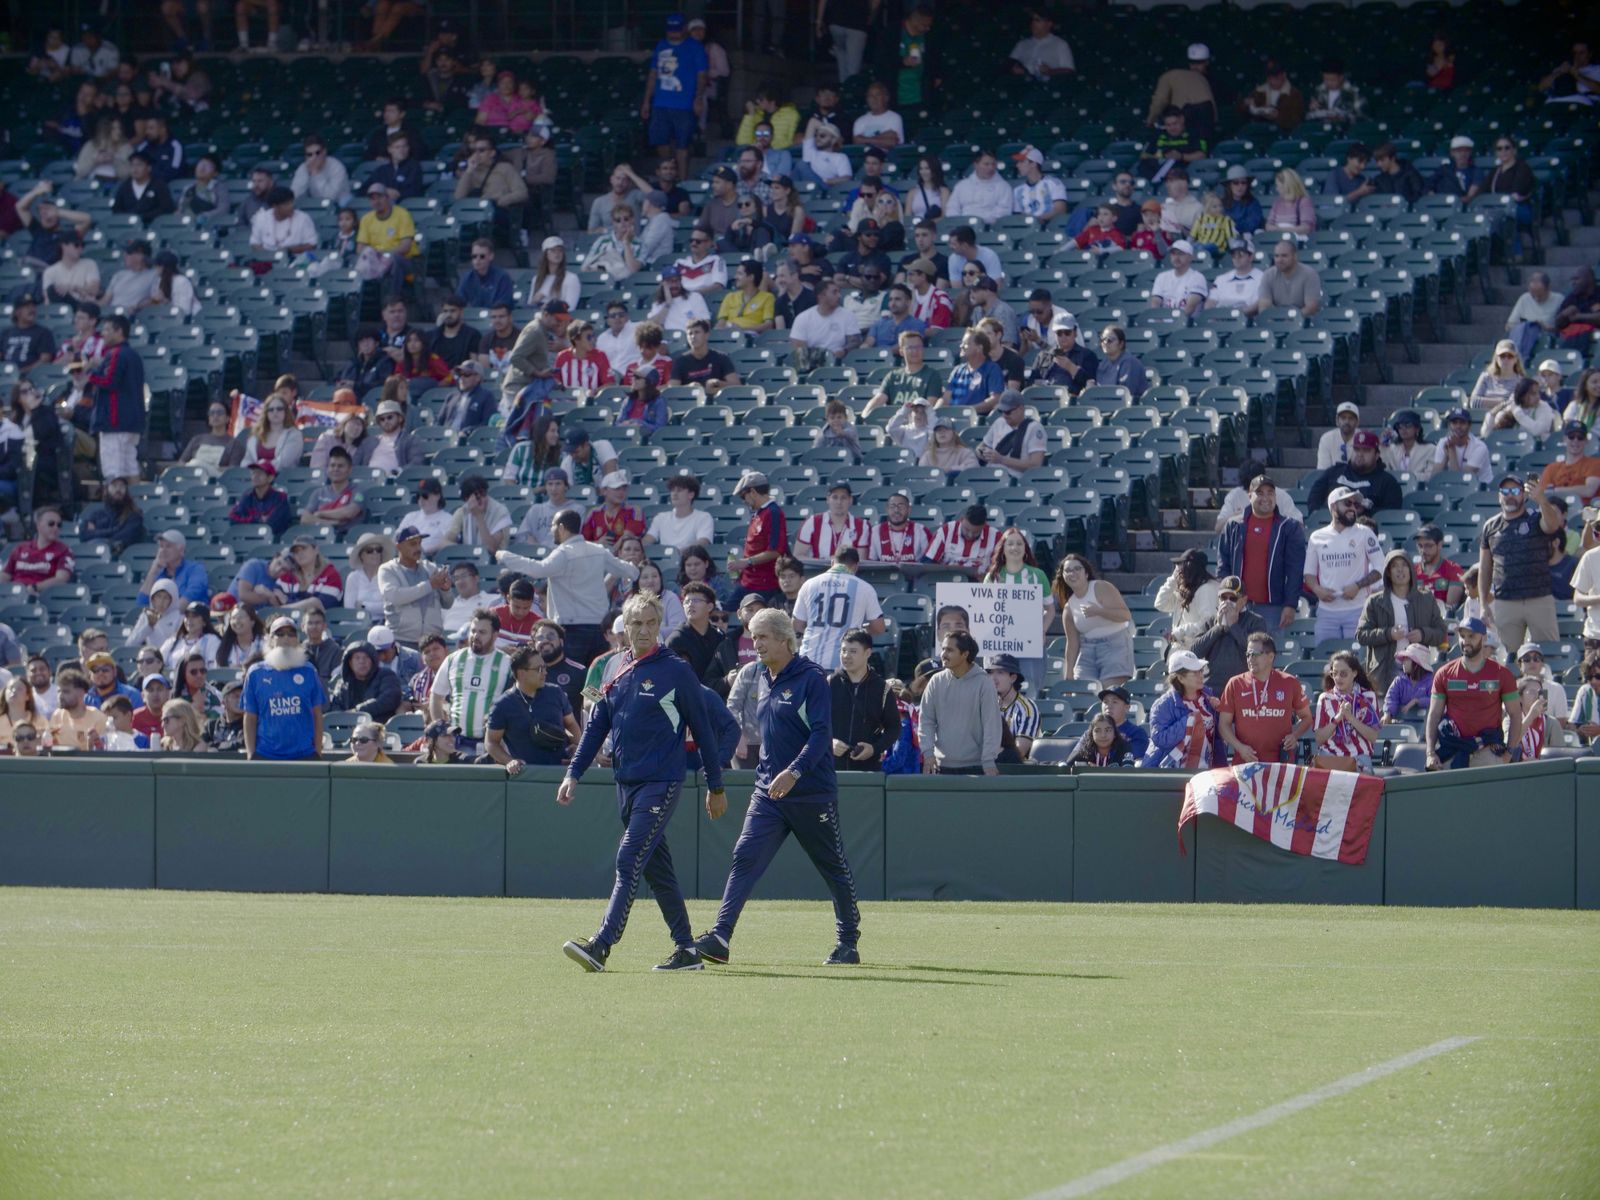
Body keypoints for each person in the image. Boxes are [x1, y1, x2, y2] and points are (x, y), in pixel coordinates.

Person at [558, 590, 728, 973]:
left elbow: (703, 730)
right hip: (626, 782)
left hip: (662, 781)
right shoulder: (614, 667)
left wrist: (716, 787)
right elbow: (596, 724)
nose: (645, 630)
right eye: (637, 623)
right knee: (657, 869)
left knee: (629, 856)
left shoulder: (677, 670)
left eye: (652, 623)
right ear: (624, 627)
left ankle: (601, 945)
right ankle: (686, 950)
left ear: (661, 626)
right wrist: (574, 772)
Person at [496, 511, 640, 667]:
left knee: (573, 678)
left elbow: (538, 569)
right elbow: (632, 572)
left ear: (561, 527)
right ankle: (592, 694)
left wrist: (505, 556)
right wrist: (633, 566)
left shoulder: (563, 553)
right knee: (595, 681)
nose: (551, 531)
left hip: (572, 631)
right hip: (599, 630)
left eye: (553, 526)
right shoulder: (598, 550)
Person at [1480, 473, 1565, 650]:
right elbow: (1485, 568)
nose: (1510, 495)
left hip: (1539, 599)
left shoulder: (1535, 518)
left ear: (1524, 495)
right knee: (1508, 658)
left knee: (1549, 653)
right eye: (1505, 490)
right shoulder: (1490, 526)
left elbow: (1553, 525)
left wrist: (1542, 500)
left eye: (1515, 490)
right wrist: (1483, 604)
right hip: (1506, 601)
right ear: (1499, 495)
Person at [1425, 617, 1521, 770]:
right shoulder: (1444, 674)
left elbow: (1515, 714)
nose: (1465, 641)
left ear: (1483, 638)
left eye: (1471, 636)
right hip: (1453, 750)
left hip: (1487, 753)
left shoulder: (1502, 674)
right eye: (1462, 636)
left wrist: (1509, 753)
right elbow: (1434, 714)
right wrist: (1430, 753)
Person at [1216, 473, 1307, 631]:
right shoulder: (1234, 525)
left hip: (1273, 608)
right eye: (1260, 493)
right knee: (1236, 653)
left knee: (1266, 653)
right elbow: (1223, 564)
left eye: (1270, 493)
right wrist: (1228, 599)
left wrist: (1290, 604)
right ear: (1249, 496)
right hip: (1238, 606)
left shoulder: (1289, 527)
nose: (1266, 497)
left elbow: (1295, 570)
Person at [915, 628, 1007, 775]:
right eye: (943, 649)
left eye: (949, 650)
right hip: (940, 766)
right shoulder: (936, 681)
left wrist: (988, 760)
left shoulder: (984, 683)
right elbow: (926, 720)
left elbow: (991, 725)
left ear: (965, 654)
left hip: (976, 767)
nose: (943, 654)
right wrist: (928, 754)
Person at [1304, 487, 1384, 643]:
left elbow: (1381, 568)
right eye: (1348, 503)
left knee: (1357, 662)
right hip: (1326, 612)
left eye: (1356, 504)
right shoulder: (1316, 537)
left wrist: (1357, 586)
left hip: (1358, 610)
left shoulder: (1365, 532)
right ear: (1333, 506)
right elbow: (1309, 574)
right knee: (1325, 661)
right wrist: (1317, 589)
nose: (1352, 508)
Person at [1217, 632, 1312, 765]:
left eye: (1255, 654)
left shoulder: (1290, 682)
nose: (1250, 659)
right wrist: (1240, 748)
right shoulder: (1235, 683)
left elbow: (1307, 717)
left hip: (1280, 762)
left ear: (1270, 657)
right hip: (1245, 761)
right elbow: (1223, 725)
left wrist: (1294, 735)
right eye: (1248, 654)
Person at [428, 610, 513, 756]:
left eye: (482, 632)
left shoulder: (507, 663)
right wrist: (441, 732)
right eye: (473, 631)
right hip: (456, 743)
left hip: (491, 745)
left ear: (495, 635)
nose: (475, 636)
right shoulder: (453, 659)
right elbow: (436, 696)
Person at [242, 616, 326, 761]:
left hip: (304, 754)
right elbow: (250, 716)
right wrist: (251, 753)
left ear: (297, 639)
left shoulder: (309, 671)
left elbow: (317, 714)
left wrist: (317, 752)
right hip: (266, 754)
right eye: (280, 634)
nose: (286, 638)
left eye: (291, 634)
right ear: (271, 639)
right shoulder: (255, 673)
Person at [486, 644, 580, 774]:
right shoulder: (503, 705)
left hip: (560, 773)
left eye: (545, 667)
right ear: (521, 673)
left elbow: (571, 723)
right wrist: (509, 761)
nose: (545, 673)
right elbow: (491, 742)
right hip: (526, 777)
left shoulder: (558, 690)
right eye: (539, 669)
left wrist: (577, 748)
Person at [792, 547, 886, 672]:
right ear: (856, 566)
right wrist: (858, 630)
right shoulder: (864, 588)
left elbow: (797, 624)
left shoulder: (809, 584)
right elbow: (879, 627)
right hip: (843, 663)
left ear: (832, 562)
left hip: (809, 659)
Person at [640, 12, 708, 180]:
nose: (673, 33)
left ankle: (683, 182)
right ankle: (667, 177)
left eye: (677, 30)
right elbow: (653, 74)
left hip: (684, 104)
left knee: (683, 144)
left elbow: (702, 76)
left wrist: (698, 98)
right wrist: (647, 101)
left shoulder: (695, 47)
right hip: (660, 103)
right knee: (660, 141)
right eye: (671, 30)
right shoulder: (661, 45)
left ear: (684, 29)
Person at [825, 628, 901, 772]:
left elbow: (894, 728)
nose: (846, 656)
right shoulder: (829, 683)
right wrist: (829, 742)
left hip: (867, 770)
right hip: (830, 769)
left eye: (853, 651)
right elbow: (812, 722)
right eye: (843, 650)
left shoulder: (882, 688)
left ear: (867, 653)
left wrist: (874, 749)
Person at [1055, 554, 1135, 688]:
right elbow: (1072, 643)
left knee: (1109, 693)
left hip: (1115, 646)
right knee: (1081, 692)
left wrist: (1099, 611)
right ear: (1063, 576)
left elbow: (1125, 615)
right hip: (1087, 650)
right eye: (1068, 570)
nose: (1072, 573)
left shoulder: (1101, 587)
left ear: (1086, 573)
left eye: (1077, 569)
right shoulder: (1069, 608)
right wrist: (1068, 674)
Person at [1141, 649, 1227, 769]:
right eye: (1195, 672)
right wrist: (1190, 722)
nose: (1201, 675)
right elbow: (1160, 739)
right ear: (1180, 678)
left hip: (1204, 770)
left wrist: (1219, 711)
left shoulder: (1208, 698)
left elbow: (1216, 738)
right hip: (1169, 772)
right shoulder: (1163, 704)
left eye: (1201, 671)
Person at [377, 525, 449, 646]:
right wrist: (430, 584)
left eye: (419, 543)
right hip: (401, 640)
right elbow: (395, 597)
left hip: (432, 641)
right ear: (398, 546)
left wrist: (446, 589)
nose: (418, 548)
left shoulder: (430, 568)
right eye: (412, 544)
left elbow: (448, 603)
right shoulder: (387, 569)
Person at [1312, 651, 1381, 771]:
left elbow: (1373, 737)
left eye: (1343, 674)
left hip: (1359, 757)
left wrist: (1350, 718)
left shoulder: (1368, 696)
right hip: (1330, 757)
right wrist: (1338, 717)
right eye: (1334, 673)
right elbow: (1319, 739)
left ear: (1354, 673)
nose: (1338, 678)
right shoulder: (1325, 698)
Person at [1306, 431, 1404, 514]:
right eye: (1356, 449)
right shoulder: (1334, 472)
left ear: (1377, 455)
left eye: (1366, 450)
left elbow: (1391, 514)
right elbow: (1314, 499)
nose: (1360, 454)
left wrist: (1365, 511)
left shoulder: (1388, 482)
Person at [1147, 43, 1217, 145]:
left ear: (1207, 62)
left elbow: (1160, 101)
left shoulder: (1167, 77)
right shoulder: (1200, 78)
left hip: (1189, 114)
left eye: (1199, 63)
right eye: (1192, 63)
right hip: (1201, 114)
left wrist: (1150, 120)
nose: (1195, 66)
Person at [1155, 548, 1220, 650]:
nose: (1178, 570)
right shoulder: (1185, 589)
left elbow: (1209, 623)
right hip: (1182, 650)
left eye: (1181, 566)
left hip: (1199, 651)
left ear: (1191, 567)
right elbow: (1160, 604)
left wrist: (1181, 631)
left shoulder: (1207, 589)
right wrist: (1173, 580)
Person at [1, 508, 74, 595]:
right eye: (51, 524)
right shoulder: (21, 548)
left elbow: (61, 579)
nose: (56, 528)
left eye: (59, 525)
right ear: (38, 525)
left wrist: (35, 587)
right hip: (13, 593)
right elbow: (5, 575)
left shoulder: (64, 550)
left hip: (40, 596)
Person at [1482, 376, 1560, 441]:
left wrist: (1517, 413)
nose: (1538, 397)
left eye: (1538, 393)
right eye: (1533, 394)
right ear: (1522, 396)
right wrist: (1491, 415)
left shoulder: (1543, 407)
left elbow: (1536, 430)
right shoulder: (1509, 409)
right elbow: (1487, 435)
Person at [228, 460, 293, 537]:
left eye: (260, 473)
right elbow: (232, 519)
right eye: (253, 473)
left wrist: (247, 522)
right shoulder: (247, 496)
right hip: (248, 538)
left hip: (273, 540)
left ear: (270, 478)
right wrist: (257, 519)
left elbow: (271, 526)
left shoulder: (280, 498)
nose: (255, 476)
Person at [1008, 9, 1075, 81]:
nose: (1033, 23)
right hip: (1021, 83)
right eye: (1032, 20)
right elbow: (1010, 64)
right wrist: (1015, 70)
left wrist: (1050, 71)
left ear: (1049, 24)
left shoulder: (1060, 44)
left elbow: (1069, 70)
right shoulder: (1022, 44)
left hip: (1047, 86)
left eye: (1038, 20)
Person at [1094, 325, 1149, 399]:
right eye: (1102, 340)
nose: (1105, 343)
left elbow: (1125, 394)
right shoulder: (1103, 364)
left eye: (1109, 340)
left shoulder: (1131, 363)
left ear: (1121, 344)